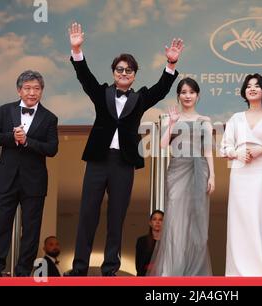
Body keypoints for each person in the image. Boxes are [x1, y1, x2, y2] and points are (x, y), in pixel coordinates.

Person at [66, 23, 183, 276]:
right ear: (113, 72)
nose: (124, 73)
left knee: (116, 217)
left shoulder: (139, 98)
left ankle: (110, 269)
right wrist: (77, 50)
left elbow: (161, 89)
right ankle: (79, 268)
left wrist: (170, 64)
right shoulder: (102, 94)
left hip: (124, 163)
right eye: (120, 69)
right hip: (98, 160)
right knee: (87, 215)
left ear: (134, 75)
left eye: (129, 70)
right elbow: (84, 77)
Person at [0, 70, 59, 277]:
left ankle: (23, 271)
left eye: (36, 88)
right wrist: (12, 137)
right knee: (1, 226)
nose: (32, 92)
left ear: (41, 91)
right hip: (6, 179)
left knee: (31, 230)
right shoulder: (5, 110)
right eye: (27, 88)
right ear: (19, 90)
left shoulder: (50, 118)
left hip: (34, 181)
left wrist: (27, 141)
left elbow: (52, 149)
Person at [221, 73, 262, 276]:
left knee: (256, 215)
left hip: (261, 168)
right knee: (237, 217)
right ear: (244, 91)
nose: (252, 89)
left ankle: (258, 269)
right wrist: (237, 153)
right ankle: (235, 272)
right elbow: (225, 148)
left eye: (257, 86)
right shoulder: (235, 118)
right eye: (248, 86)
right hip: (239, 169)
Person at [148, 78, 215, 276]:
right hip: (177, 169)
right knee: (175, 220)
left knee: (197, 221)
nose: (187, 96)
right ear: (178, 95)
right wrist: (173, 123)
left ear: (197, 95)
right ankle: (170, 271)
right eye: (184, 92)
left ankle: (193, 273)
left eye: (191, 92)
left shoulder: (205, 120)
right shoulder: (171, 118)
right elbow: (161, 145)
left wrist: (212, 176)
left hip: (200, 169)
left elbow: (208, 150)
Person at [135, 210, 163, 276]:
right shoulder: (142, 241)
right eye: (154, 219)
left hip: (164, 277)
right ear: (150, 223)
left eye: (160, 220)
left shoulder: (168, 243)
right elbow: (138, 265)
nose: (157, 222)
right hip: (145, 278)